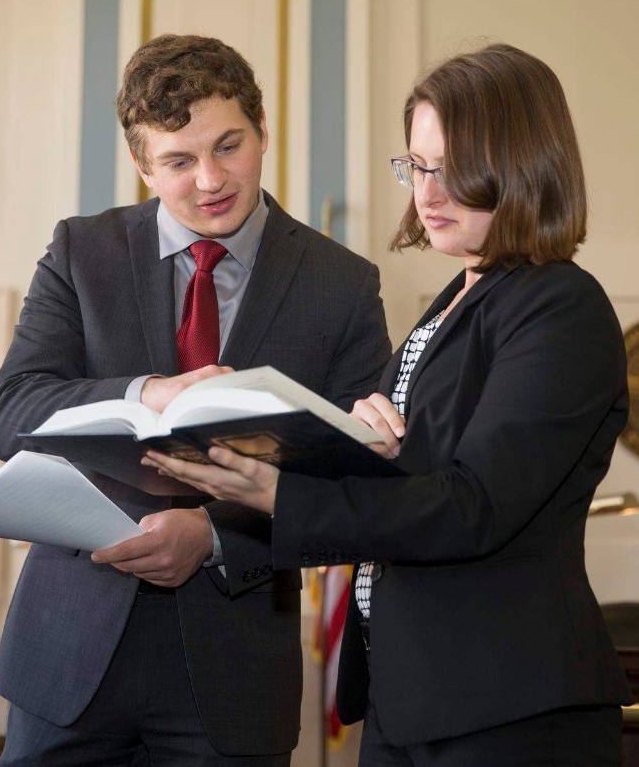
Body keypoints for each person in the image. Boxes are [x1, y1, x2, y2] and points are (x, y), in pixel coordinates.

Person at [143, 43, 632, 766]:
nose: (424, 195)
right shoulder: (452, 303)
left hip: (507, 707)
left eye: (449, 169)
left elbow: (474, 506)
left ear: (524, 161)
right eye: (416, 167)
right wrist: (353, 443)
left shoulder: (558, 305)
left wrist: (281, 493)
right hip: (413, 697)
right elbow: (417, 480)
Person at [0, 33, 391, 765]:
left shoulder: (343, 283)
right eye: (177, 160)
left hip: (231, 671)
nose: (209, 179)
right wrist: (149, 392)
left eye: (228, 145)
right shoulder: (82, 252)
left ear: (263, 131)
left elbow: (354, 484)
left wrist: (211, 538)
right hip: (69, 654)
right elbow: (11, 412)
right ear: (142, 164)